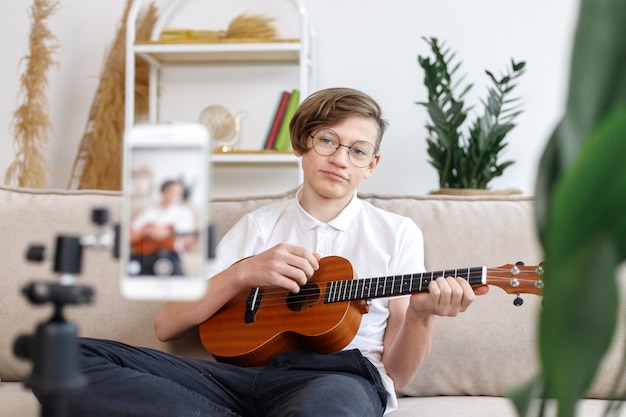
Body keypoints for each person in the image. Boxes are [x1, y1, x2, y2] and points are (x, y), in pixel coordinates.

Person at [60, 87, 488, 417]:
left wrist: (421, 316)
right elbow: (166, 325)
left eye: (357, 151)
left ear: (370, 165)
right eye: (327, 141)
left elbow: (398, 374)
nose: (341, 158)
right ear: (303, 144)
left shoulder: (396, 233)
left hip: (338, 379)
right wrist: (244, 272)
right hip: (238, 379)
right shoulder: (259, 226)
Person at [129, 179, 197, 276]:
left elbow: (188, 239)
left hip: (171, 255)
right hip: (145, 254)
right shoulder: (149, 212)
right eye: (172, 193)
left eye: (178, 193)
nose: (175, 196)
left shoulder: (184, 213)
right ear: (163, 193)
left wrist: (168, 233)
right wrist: (147, 231)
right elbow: (130, 235)